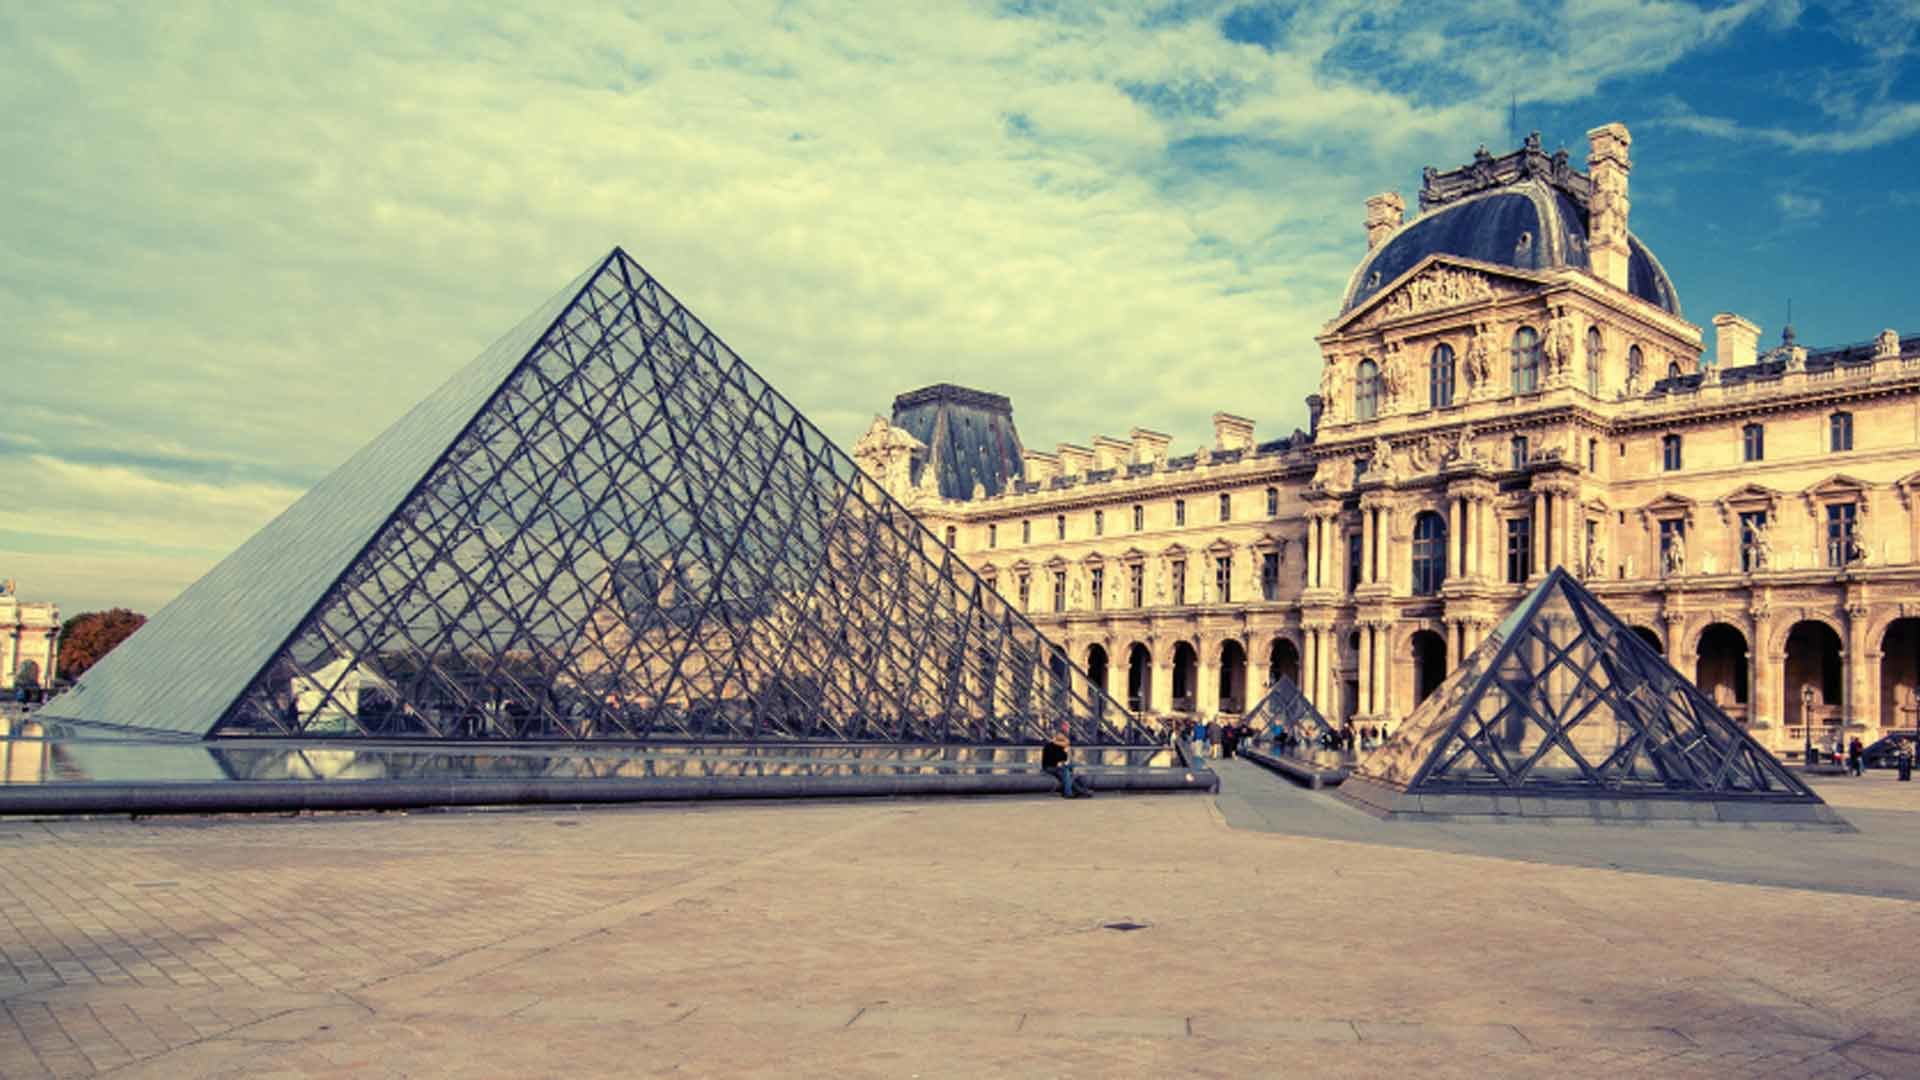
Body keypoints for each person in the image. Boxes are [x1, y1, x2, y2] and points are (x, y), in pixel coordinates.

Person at [1041, 724, 1092, 798]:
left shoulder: (1061, 746)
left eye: (1064, 735)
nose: (1063, 737)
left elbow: (1063, 760)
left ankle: (1078, 791)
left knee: (1071, 769)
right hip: (1049, 767)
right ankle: (1073, 792)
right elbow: (1055, 760)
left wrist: (1065, 752)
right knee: (1066, 772)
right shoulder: (1050, 746)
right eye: (1061, 735)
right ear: (1057, 736)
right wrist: (1063, 754)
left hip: (1057, 767)